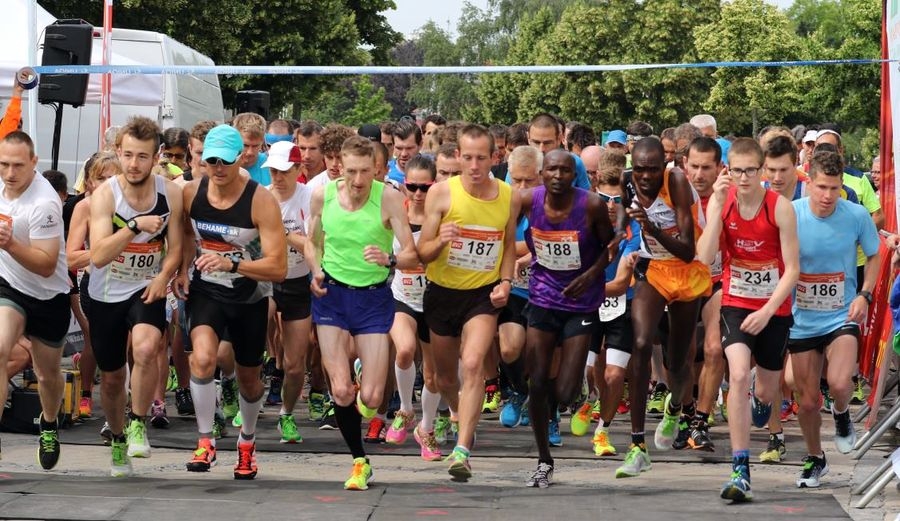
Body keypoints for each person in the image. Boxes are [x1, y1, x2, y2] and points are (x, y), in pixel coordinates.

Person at [303, 135, 418, 490]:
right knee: (340, 391)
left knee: (370, 398)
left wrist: (390, 259)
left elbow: (412, 253)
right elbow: (311, 242)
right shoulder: (322, 196)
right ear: (339, 166)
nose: (357, 180)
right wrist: (315, 270)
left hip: (372, 299)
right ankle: (359, 461)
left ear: (377, 169)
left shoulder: (390, 199)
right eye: (351, 171)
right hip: (332, 296)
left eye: (365, 172)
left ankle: (363, 376)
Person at [176, 124, 287, 480]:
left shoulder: (260, 200)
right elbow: (182, 232)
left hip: (248, 295)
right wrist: (182, 268)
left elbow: (279, 268)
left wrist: (233, 264)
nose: (218, 168)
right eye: (211, 161)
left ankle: (247, 442)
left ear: (241, 158)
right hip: (206, 290)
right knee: (202, 359)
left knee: (249, 379)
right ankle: (205, 440)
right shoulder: (191, 193)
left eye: (225, 161)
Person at [696, 138, 799, 502]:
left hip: (774, 309)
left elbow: (793, 270)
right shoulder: (721, 203)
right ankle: (740, 469)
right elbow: (703, 257)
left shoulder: (780, 208)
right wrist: (717, 207)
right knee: (737, 374)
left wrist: (767, 310)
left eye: (750, 171)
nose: (743, 178)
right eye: (736, 171)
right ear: (728, 170)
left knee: (766, 394)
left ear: (761, 171)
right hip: (736, 303)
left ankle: (761, 397)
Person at [418, 124, 519, 482]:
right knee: (444, 377)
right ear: (458, 156)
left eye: (481, 158)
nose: (474, 166)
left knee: (474, 363)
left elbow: (508, 244)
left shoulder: (508, 196)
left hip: (482, 295)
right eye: (468, 157)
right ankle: (460, 413)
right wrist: (441, 240)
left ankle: (462, 450)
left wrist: (505, 282)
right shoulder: (441, 194)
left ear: (494, 157)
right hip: (442, 293)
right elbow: (422, 252)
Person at [87, 116, 184, 476]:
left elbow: (176, 247)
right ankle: (117, 440)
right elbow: (98, 255)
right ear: (118, 152)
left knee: (145, 349)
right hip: (106, 293)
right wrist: (133, 226)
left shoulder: (170, 193)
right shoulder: (105, 195)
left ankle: (138, 422)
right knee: (112, 378)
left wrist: (164, 276)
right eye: (127, 155)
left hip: (146, 287)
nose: (133, 164)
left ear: (156, 157)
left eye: (142, 156)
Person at [785, 149, 880, 489]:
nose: (827, 196)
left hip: (842, 313)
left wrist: (864, 294)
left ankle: (841, 411)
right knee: (807, 400)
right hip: (802, 318)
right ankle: (815, 458)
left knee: (840, 383)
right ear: (808, 182)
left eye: (834, 188)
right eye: (822, 187)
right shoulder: (791, 214)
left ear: (842, 186)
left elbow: (874, 255)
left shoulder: (856, 215)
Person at [618, 137, 711, 478]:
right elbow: (623, 209)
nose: (646, 176)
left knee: (678, 360)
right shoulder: (628, 180)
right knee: (641, 342)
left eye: (653, 170)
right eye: (640, 169)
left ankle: (675, 407)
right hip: (654, 269)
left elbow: (687, 250)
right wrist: (619, 232)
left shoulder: (677, 183)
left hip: (686, 270)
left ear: (664, 166)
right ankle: (637, 446)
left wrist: (650, 226)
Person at [520, 149, 613, 487]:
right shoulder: (527, 200)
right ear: (541, 173)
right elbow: (501, 229)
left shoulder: (591, 205)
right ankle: (544, 460)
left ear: (575, 175)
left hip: (580, 303)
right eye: (551, 170)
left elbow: (610, 247)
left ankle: (579, 389)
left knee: (564, 392)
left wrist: (590, 275)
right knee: (537, 381)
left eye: (564, 170)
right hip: (543, 297)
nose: (557, 176)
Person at [0, 131, 71, 467]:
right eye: (3, 164)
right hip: (9, 285)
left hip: (48, 294)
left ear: (34, 163)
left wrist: (10, 244)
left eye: (18, 165)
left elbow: (45, 266)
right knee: (0, 349)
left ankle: (49, 422)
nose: (10, 173)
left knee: (47, 376)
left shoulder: (44, 203)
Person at [385, 155, 439, 459]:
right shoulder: (396, 214)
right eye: (412, 186)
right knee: (404, 350)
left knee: (433, 375)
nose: (418, 193)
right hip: (402, 297)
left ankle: (426, 429)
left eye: (424, 187)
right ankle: (405, 409)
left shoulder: (439, 216)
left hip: (432, 302)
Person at [263, 141, 313, 444]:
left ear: (298, 169)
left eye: (284, 171)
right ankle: (245, 397)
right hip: (267, 281)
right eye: (273, 171)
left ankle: (287, 413)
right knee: (252, 339)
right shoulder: (262, 197)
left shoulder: (309, 197)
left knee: (295, 364)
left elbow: (313, 246)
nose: (278, 178)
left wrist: (283, 234)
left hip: (297, 282)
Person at [497, 146, 544, 431]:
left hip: (544, 290)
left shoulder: (551, 203)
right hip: (512, 288)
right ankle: (518, 391)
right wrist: (522, 249)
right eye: (517, 180)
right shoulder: (500, 201)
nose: (523, 187)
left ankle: (542, 402)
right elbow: (493, 241)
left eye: (529, 180)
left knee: (539, 352)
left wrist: (514, 250)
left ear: (541, 176)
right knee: (509, 348)